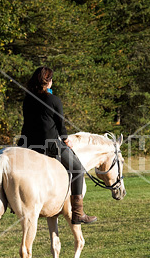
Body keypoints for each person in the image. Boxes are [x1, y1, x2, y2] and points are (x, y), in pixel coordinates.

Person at [17, 66, 97, 225]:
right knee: (78, 169)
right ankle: (78, 213)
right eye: (51, 79)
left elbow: (27, 123)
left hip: (28, 144)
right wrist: (66, 140)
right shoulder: (54, 100)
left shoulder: (28, 99)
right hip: (50, 144)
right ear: (48, 82)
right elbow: (60, 125)